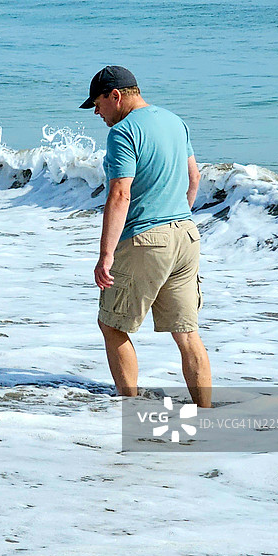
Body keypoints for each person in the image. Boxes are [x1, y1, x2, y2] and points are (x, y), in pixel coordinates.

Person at [80, 66, 211, 407]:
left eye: (97, 103)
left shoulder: (123, 132)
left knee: (112, 325)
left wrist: (105, 255)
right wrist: (175, 217)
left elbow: (120, 194)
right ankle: (207, 414)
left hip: (145, 240)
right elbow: (194, 177)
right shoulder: (174, 121)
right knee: (187, 333)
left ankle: (130, 407)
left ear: (116, 96)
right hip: (186, 235)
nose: (97, 112)